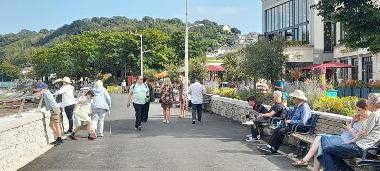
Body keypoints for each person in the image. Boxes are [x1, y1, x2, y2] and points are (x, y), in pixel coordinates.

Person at [292, 99, 369, 170]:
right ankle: (308, 162)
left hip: (347, 141)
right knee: (319, 143)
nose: (357, 112)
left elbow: (357, 138)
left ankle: (306, 161)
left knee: (320, 142)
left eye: (359, 110)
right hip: (342, 137)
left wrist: (349, 129)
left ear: (365, 109)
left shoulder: (367, 121)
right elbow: (348, 131)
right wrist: (353, 121)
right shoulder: (359, 118)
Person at [321, 93, 380, 171]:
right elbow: (362, 134)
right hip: (364, 147)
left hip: (362, 148)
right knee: (328, 150)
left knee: (327, 150)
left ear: (373, 104)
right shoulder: (376, 114)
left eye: (368, 102)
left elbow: (362, 135)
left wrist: (350, 142)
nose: (367, 104)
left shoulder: (375, 115)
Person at [257, 90, 312, 154]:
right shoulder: (298, 106)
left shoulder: (304, 107)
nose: (292, 99)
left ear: (298, 98)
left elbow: (303, 121)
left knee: (281, 130)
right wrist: (286, 109)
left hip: (301, 127)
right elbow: (291, 111)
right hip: (294, 125)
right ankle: (270, 146)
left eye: (293, 97)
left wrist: (291, 121)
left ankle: (273, 148)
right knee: (277, 129)